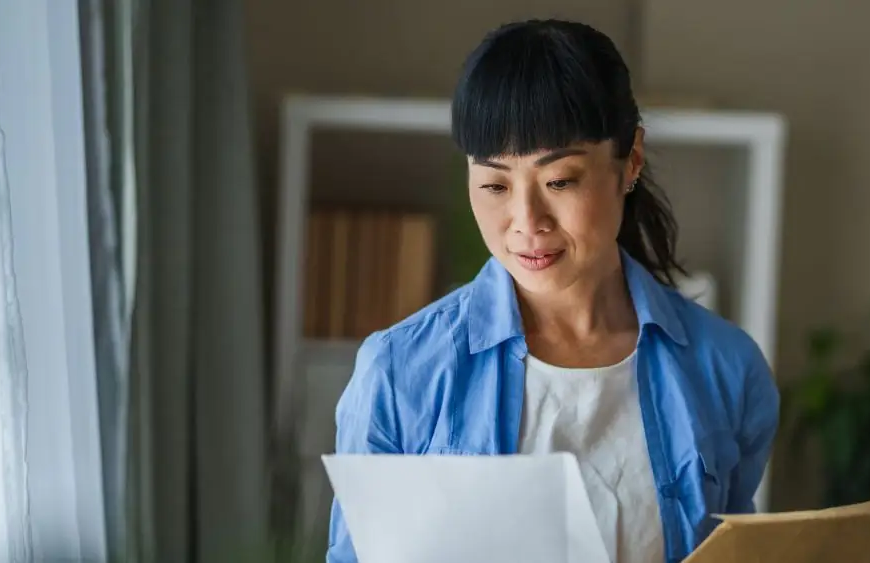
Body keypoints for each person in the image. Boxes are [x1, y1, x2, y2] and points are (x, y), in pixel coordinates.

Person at [327, 19, 779, 563]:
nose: (525, 221)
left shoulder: (726, 369)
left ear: (630, 159)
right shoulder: (400, 373)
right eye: (494, 185)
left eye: (559, 181)